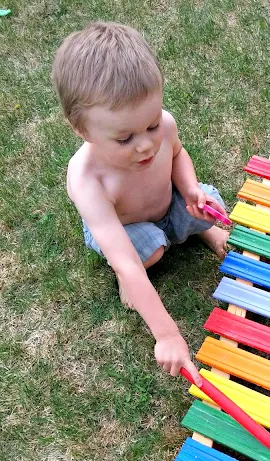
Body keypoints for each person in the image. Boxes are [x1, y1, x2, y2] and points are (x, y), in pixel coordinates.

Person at [52, 22, 230, 386]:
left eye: (150, 126)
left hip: (166, 203)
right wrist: (166, 335)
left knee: (208, 202)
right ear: (81, 130)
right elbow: (127, 261)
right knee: (146, 256)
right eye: (124, 138)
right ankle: (135, 274)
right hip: (127, 232)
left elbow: (178, 156)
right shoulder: (87, 180)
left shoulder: (164, 124)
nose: (146, 145)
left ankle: (203, 232)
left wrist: (192, 189)